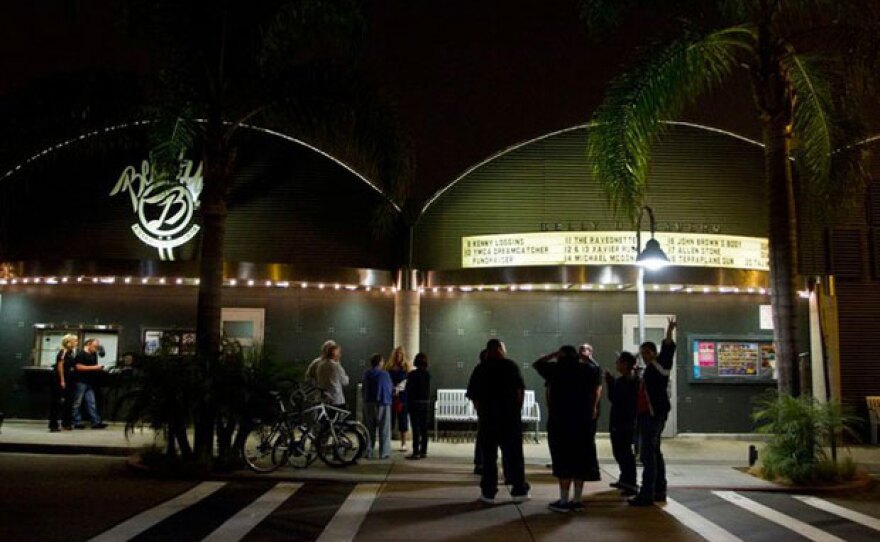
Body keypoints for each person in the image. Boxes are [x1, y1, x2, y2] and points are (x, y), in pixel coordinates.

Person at [533, 345, 601, 513]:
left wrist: (553, 353)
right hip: (583, 422)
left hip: (560, 421)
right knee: (581, 458)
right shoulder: (588, 370)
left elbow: (537, 363)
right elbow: (598, 372)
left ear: (561, 356)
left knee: (563, 459)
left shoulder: (555, 369)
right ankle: (577, 500)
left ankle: (563, 501)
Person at [466, 338, 530, 504]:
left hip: (488, 419)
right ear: (500, 349)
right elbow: (519, 391)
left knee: (489, 458)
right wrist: (517, 410)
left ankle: (488, 492)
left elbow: (474, 396)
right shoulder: (511, 366)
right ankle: (519, 489)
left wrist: (481, 412)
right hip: (510, 418)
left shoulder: (480, 368)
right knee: (514, 455)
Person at [629, 317, 677, 506]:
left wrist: (669, 330)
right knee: (654, 452)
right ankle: (658, 490)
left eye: (648, 352)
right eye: (643, 353)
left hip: (654, 414)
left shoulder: (661, 364)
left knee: (649, 454)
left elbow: (668, 348)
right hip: (649, 413)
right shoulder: (650, 368)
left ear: (654, 352)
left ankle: (647, 493)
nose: (645, 356)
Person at [605, 351, 640, 496]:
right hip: (617, 420)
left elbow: (624, 400)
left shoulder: (634, 381)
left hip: (626, 421)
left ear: (625, 364)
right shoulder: (620, 380)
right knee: (618, 451)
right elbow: (613, 397)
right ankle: (624, 478)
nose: (617, 364)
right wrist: (610, 383)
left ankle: (630, 483)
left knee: (625, 452)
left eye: (619, 362)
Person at [579, 343, 603, 481]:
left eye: (586, 349)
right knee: (583, 440)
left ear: (591, 351)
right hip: (582, 408)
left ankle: (593, 470)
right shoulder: (580, 367)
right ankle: (586, 468)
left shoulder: (595, 368)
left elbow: (597, 389)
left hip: (589, 408)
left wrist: (593, 407)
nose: (583, 351)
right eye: (581, 349)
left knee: (588, 439)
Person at [361, 353, 392, 459]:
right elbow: (389, 388)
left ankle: (368, 451)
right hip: (383, 403)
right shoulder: (385, 374)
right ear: (380, 362)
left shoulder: (366, 373)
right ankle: (384, 453)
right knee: (384, 429)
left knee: (369, 429)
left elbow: (364, 388)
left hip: (369, 403)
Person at [71, 338, 107, 429]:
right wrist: (95, 368)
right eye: (95, 346)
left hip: (90, 382)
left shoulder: (94, 354)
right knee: (77, 403)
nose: (96, 349)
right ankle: (76, 422)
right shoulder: (80, 354)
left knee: (91, 403)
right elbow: (78, 367)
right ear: (88, 344)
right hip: (81, 381)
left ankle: (96, 422)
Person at [48, 334, 78, 432]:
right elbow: (60, 366)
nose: (76, 343)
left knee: (69, 402)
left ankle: (66, 423)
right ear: (69, 342)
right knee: (57, 402)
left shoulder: (71, 353)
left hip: (70, 379)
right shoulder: (63, 352)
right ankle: (53, 425)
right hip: (61, 379)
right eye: (75, 341)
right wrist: (62, 380)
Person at [405, 352, 431, 459]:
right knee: (424, 428)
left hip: (414, 403)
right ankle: (424, 451)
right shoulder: (427, 374)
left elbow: (408, 389)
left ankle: (416, 451)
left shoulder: (412, 374)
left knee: (415, 428)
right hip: (425, 403)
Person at [386, 346, 411, 452]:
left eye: (401, 353)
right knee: (389, 420)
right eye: (397, 353)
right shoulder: (389, 367)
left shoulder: (406, 367)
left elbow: (409, 380)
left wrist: (401, 387)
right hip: (391, 396)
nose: (399, 356)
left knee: (403, 420)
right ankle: (387, 442)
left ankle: (403, 443)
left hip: (402, 396)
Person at [314, 340, 349, 408]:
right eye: (339, 353)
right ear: (335, 354)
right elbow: (345, 382)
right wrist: (346, 377)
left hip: (323, 400)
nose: (340, 355)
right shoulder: (336, 366)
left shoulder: (320, 365)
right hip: (336, 400)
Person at [472, 349, 487, 475]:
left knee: (482, 436)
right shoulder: (480, 370)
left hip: (484, 409)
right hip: (487, 409)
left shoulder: (478, 370)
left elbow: (472, 391)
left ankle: (480, 464)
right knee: (483, 437)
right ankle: (481, 463)